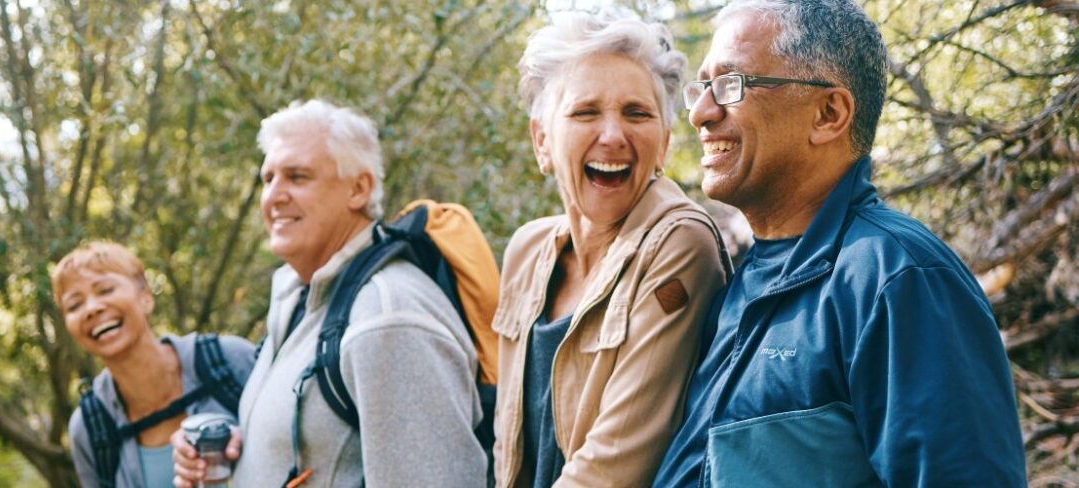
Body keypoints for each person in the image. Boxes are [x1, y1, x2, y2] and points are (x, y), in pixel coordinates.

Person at [654, 0, 1026, 486]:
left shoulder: (896, 279)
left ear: (828, 113)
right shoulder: (737, 282)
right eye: (702, 87)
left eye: (731, 85)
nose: (701, 112)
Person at [172, 99, 487, 487]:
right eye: (267, 178)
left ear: (358, 189)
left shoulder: (388, 318)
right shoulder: (300, 297)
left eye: (297, 176)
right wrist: (235, 447)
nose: (274, 196)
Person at [492, 9, 731, 487]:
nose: (613, 135)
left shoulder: (680, 243)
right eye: (585, 112)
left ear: (664, 143)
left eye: (636, 113)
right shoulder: (527, 250)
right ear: (542, 141)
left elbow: (614, 466)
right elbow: (507, 450)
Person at [55, 241, 256, 488]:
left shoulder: (230, 361)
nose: (92, 309)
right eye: (74, 305)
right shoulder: (89, 428)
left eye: (105, 290)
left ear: (145, 297)